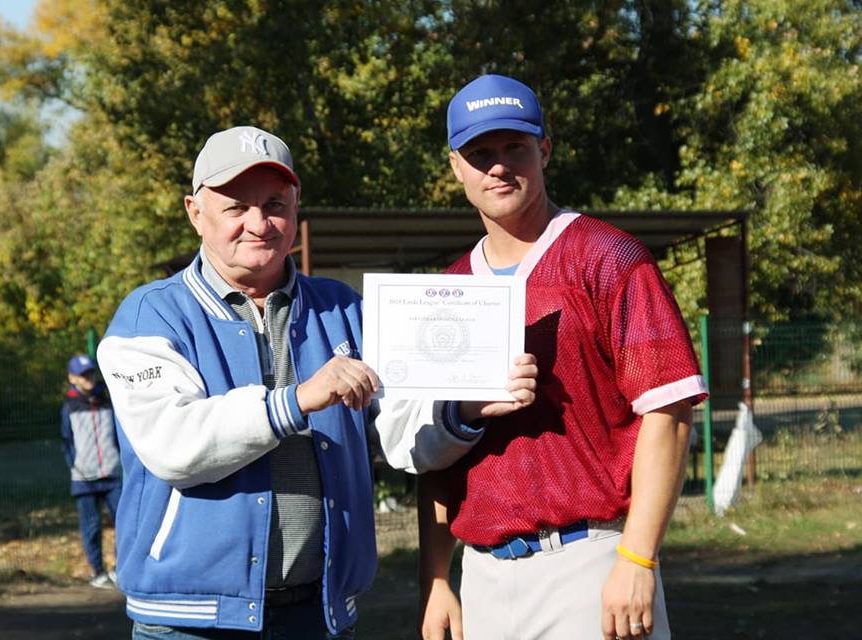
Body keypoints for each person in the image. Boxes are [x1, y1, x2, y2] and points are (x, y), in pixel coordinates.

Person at [96, 125, 540, 639]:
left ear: (296, 206)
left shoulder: (347, 308)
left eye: (274, 204)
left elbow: (403, 439)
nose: (258, 223)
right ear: (195, 213)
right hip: (189, 623)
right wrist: (298, 400)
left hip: (320, 614)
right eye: (236, 207)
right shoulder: (150, 315)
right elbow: (174, 446)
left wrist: (463, 409)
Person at [379, 74, 708, 640]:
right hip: (481, 572)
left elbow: (669, 411)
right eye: (480, 153)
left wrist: (638, 557)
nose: (498, 166)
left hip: (588, 559)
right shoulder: (449, 288)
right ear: (455, 165)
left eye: (515, 147)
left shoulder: (609, 258)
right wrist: (436, 577)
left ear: (545, 150)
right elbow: (429, 457)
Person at [61, 353, 121, 590]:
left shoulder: (106, 400)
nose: (89, 378)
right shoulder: (69, 407)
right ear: (72, 378)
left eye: (91, 373)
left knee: (123, 522)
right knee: (91, 526)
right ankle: (98, 571)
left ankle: (119, 568)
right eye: (83, 375)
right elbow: (66, 440)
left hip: (112, 473)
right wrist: (75, 464)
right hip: (84, 478)